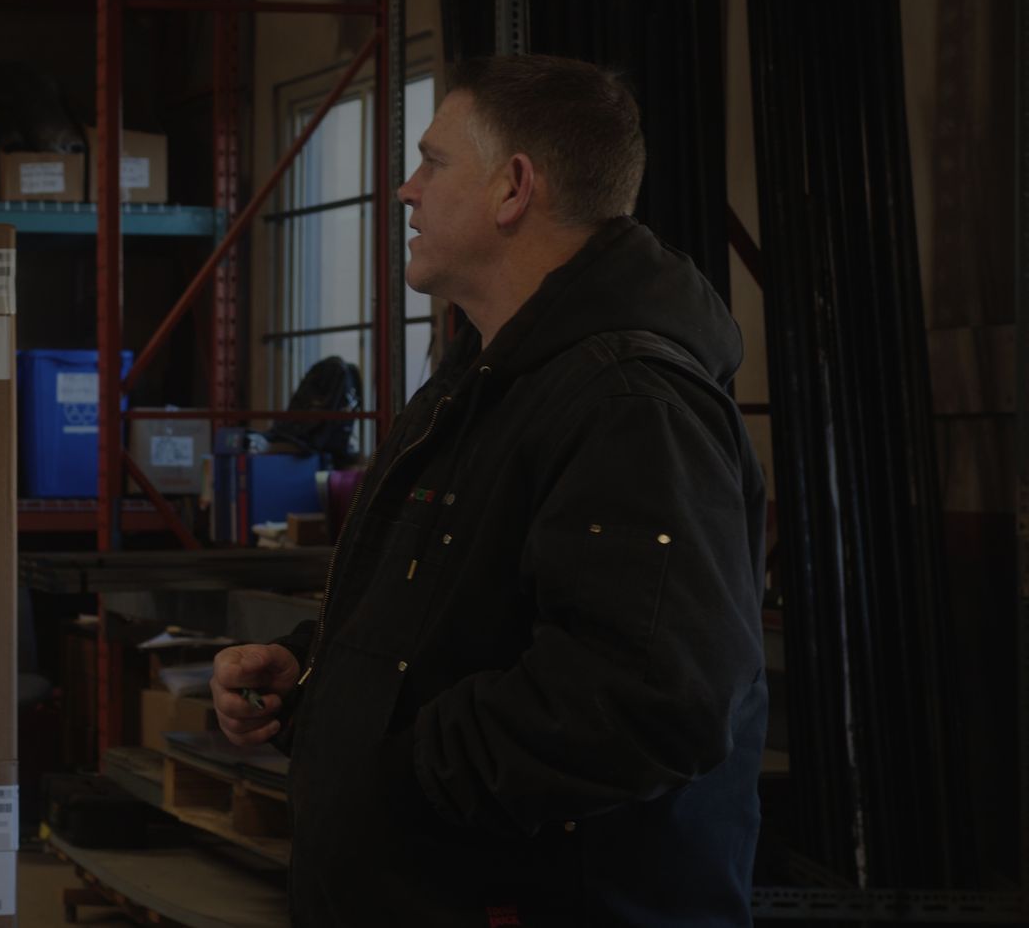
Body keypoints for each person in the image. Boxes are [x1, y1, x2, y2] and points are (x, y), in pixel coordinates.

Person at [212, 54, 768, 927]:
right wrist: (314, 677)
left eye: (432, 163)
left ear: (514, 188)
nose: (405, 190)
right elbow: (453, 612)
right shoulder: (483, 380)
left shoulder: (627, 402)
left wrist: (393, 769)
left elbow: (650, 695)